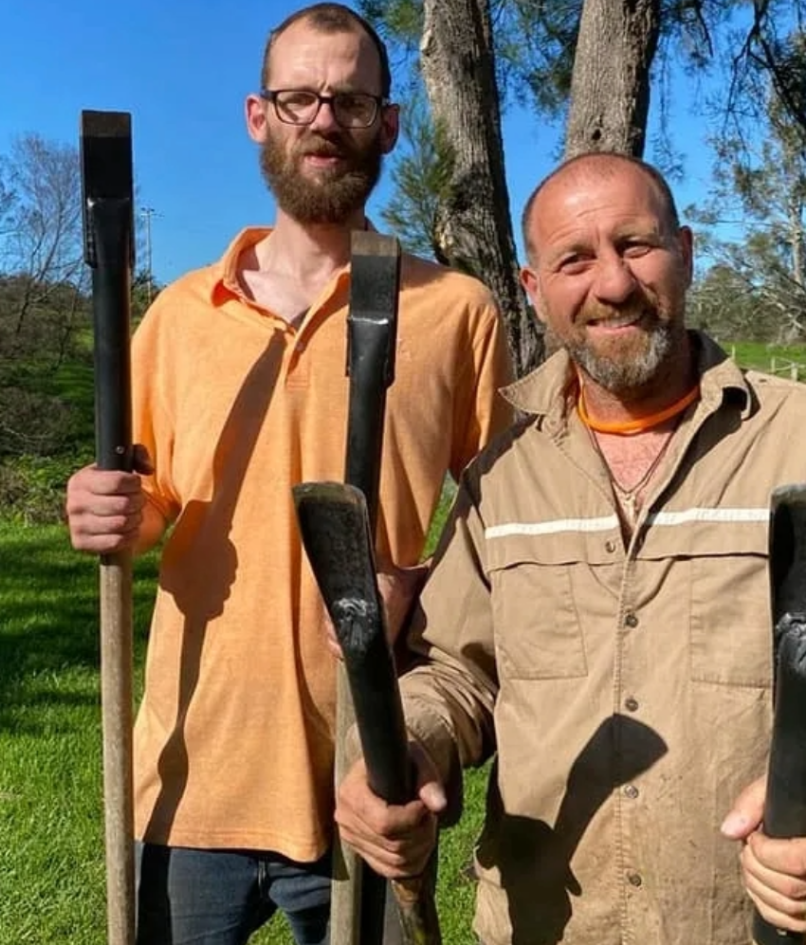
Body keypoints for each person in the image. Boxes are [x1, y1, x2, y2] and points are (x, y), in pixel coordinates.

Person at [65, 1, 513, 945]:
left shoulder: (457, 313)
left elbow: (497, 517)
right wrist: (111, 511)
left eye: (349, 100)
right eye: (298, 96)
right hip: (195, 773)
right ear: (257, 115)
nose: (322, 118)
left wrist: (425, 585)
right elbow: (149, 495)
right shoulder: (181, 316)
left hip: (368, 772)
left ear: (388, 124)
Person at [335, 151, 806, 945]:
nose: (613, 284)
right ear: (535, 290)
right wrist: (408, 747)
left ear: (686, 252)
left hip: (745, 925)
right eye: (575, 260)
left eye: (637, 245)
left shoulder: (795, 443)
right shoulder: (505, 478)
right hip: (545, 924)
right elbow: (457, 669)